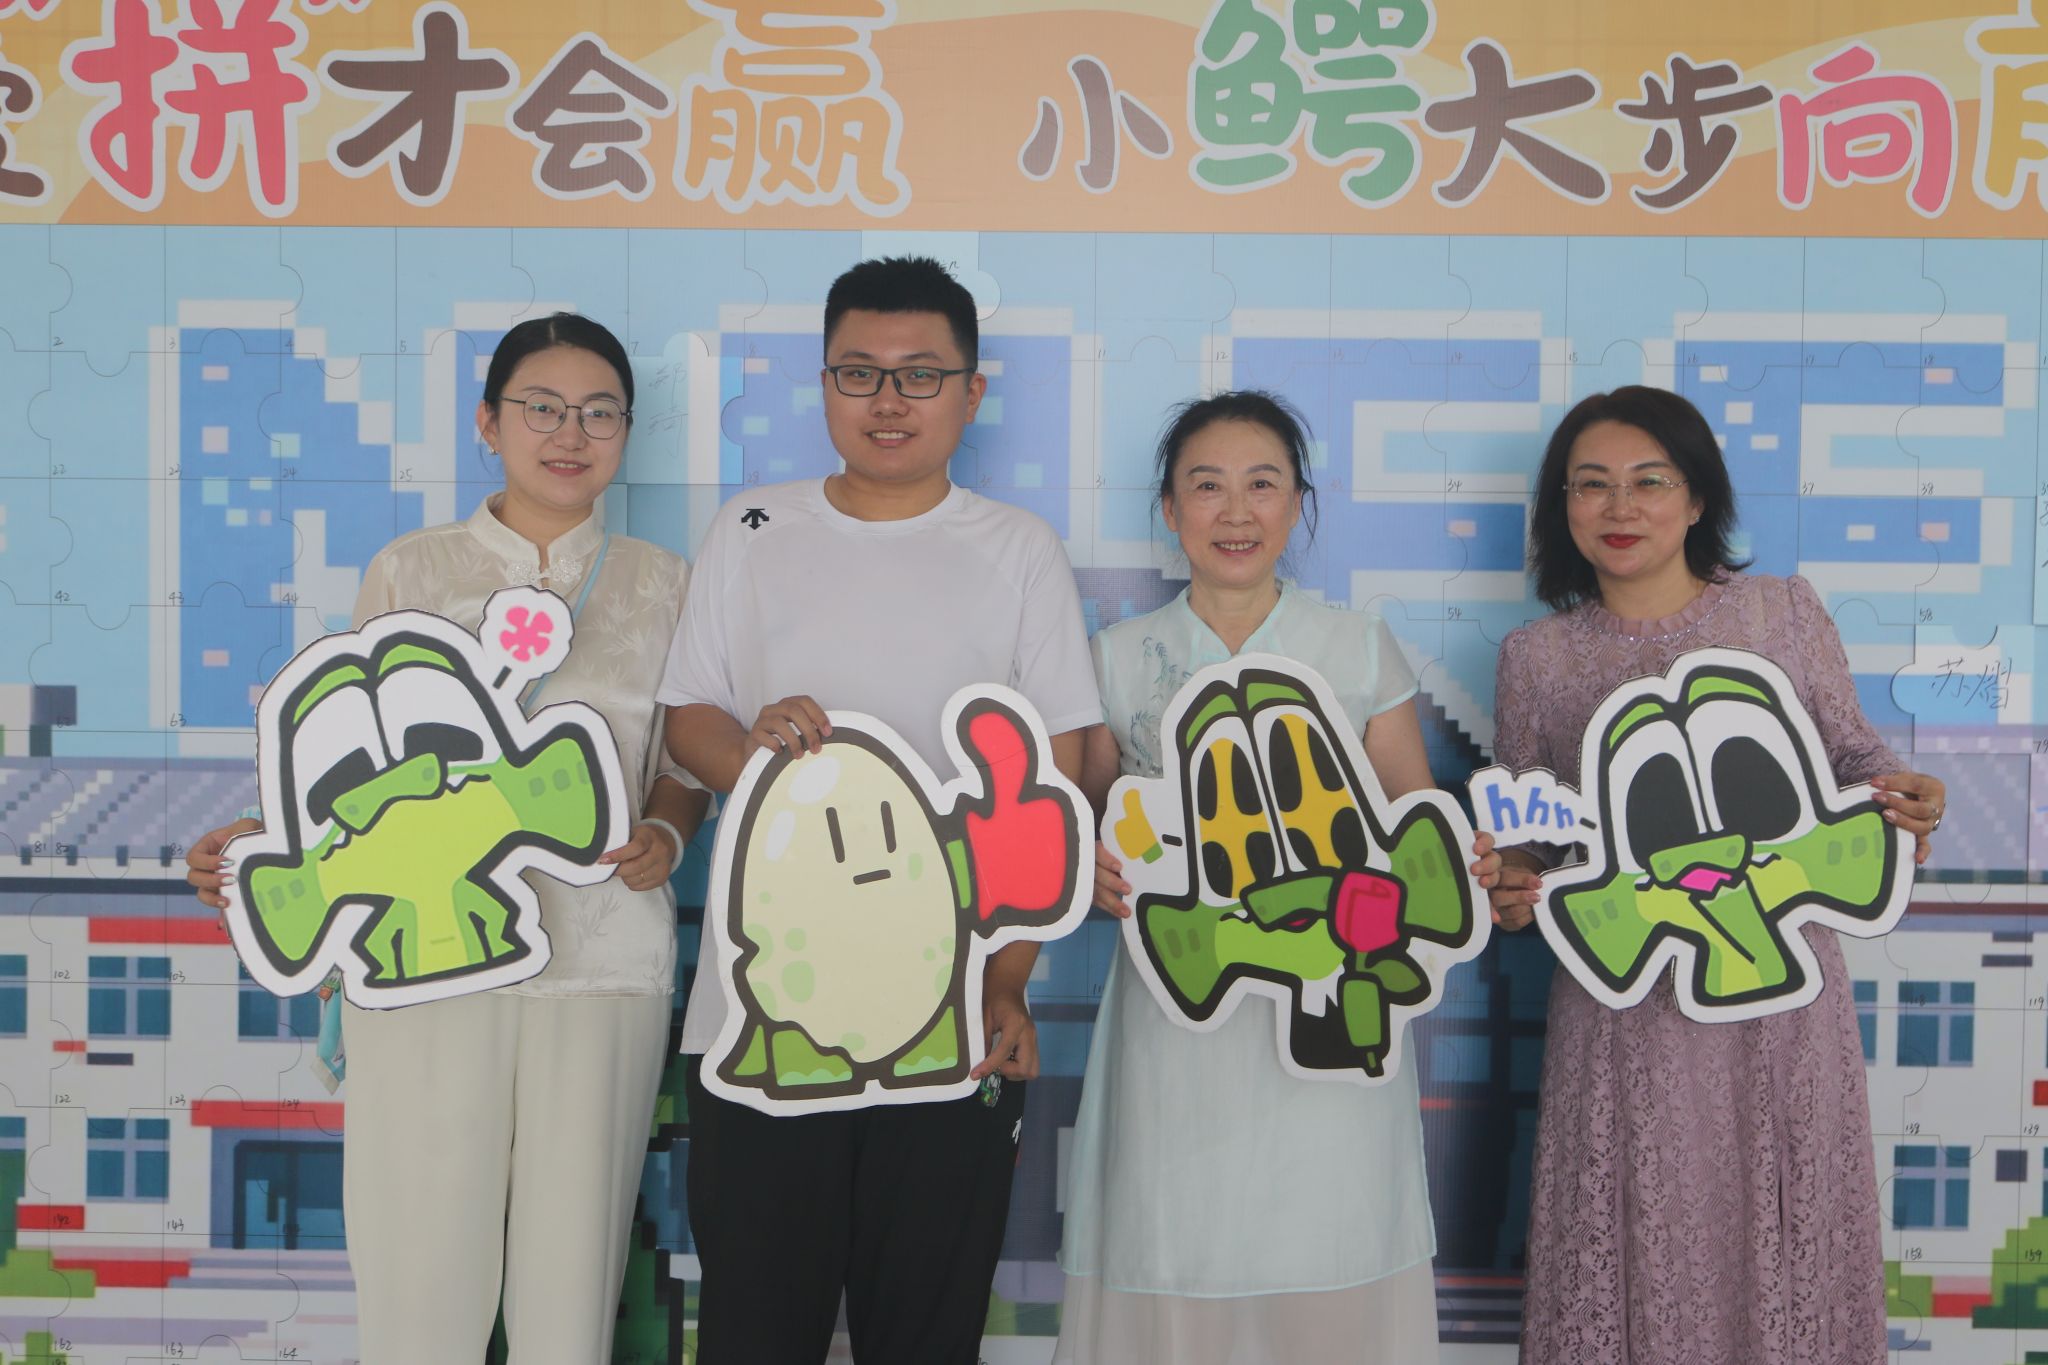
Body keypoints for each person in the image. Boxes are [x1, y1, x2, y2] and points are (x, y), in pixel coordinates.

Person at [184, 312, 706, 1363]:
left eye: (600, 412)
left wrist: (665, 829)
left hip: (603, 958)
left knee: (570, 1286)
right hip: (422, 963)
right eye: (542, 408)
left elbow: (684, 760)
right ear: (488, 421)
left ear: (626, 431)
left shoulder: (665, 582)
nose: (571, 433)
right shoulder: (411, 571)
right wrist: (259, 847)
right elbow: (342, 755)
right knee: (420, 1275)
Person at [659, 255, 1101, 1363]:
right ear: (823, 384)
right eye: (858, 373)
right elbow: (687, 718)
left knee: (925, 1332)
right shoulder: (750, 528)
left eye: (919, 374)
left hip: (950, 1021)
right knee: (757, 1331)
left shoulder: (1018, 551)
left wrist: (1006, 981)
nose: (888, 400)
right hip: (759, 1022)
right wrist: (747, 749)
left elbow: (1045, 784)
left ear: (971, 392)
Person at [1489, 385, 1946, 1365]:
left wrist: (1904, 795)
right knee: (1634, 1233)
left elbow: (1855, 759)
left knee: (1787, 1230)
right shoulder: (1535, 658)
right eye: (1591, 484)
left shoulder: (1780, 612)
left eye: (1649, 481)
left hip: (1780, 998)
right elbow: (1530, 836)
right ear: (1562, 507)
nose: (1619, 506)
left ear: (1697, 499)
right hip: (1625, 1009)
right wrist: (1512, 885)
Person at [1055, 390, 1501, 1365]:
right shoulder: (1115, 657)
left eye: (1261, 484)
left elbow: (1413, 814)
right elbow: (1075, 824)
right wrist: (1086, 868)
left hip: (1335, 1007)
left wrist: (1459, 860)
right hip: (1179, 1017)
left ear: (1297, 502)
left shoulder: (1355, 645)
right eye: (1206, 486)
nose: (1235, 511)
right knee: (1173, 1230)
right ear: (1168, 508)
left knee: (1329, 1230)